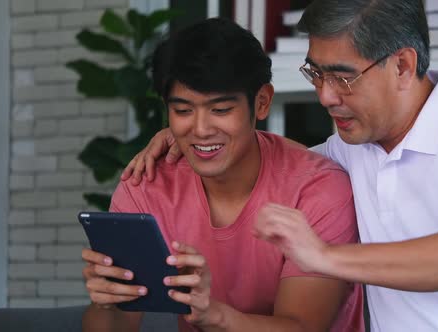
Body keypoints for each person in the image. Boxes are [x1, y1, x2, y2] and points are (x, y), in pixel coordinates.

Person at [121, 1, 438, 331]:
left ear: (403, 66)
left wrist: (325, 257)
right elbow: (278, 161)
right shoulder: (348, 148)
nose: (326, 96)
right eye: (317, 74)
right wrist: (188, 135)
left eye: (343, 77)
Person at [81, 17, 364, 332]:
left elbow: (303, 327)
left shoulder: (319, 189)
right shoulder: (145, 185)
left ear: (262, 102)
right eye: (184, 111)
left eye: (220, 110)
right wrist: (106, 301)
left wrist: (213, 315)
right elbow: (114, 325)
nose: (200, 130)